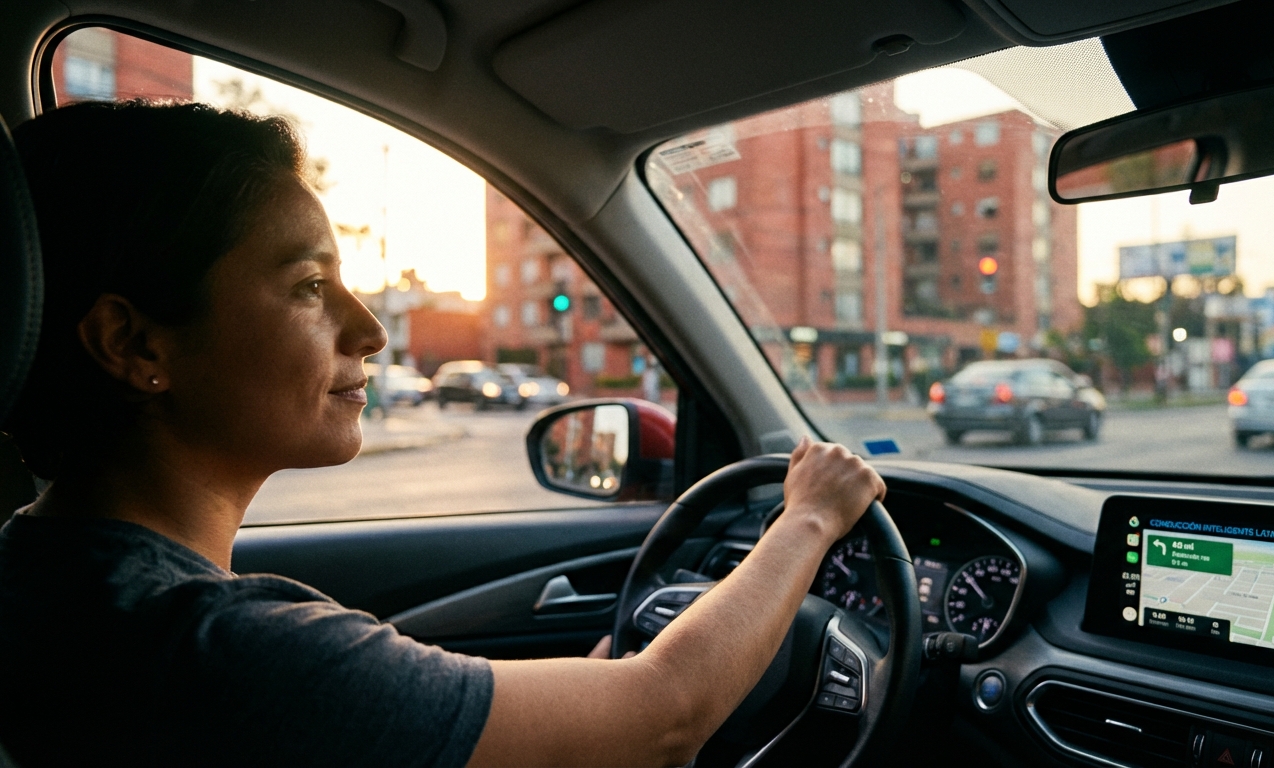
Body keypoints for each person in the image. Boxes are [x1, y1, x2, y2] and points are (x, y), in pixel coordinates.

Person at [0, 101, 885, 767]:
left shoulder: (44, 580)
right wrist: (809, 516)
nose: (371, 332)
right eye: (309, 286)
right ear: (135, 343)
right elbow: (667, 715)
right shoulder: (209, 652)